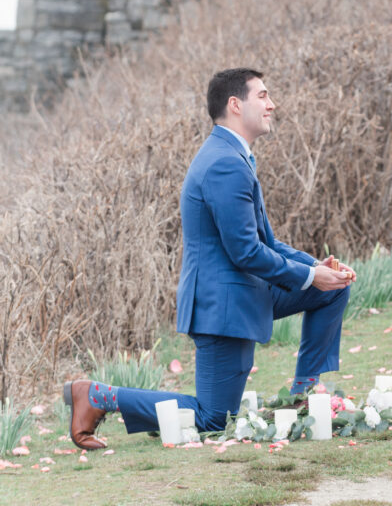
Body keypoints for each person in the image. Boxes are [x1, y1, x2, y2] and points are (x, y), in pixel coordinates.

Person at [64, 67, 355, 449]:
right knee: (212, 418)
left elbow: (265, 241)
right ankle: (98, 396)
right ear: (236, 105)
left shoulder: (235, 156)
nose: (272, 104)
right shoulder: (224, 164)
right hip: (223, 308)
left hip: (244, 293)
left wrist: (315, 268)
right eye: (263, 96)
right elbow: (246, 252)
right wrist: (308, 276)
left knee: (331, 290)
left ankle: (307, 396)